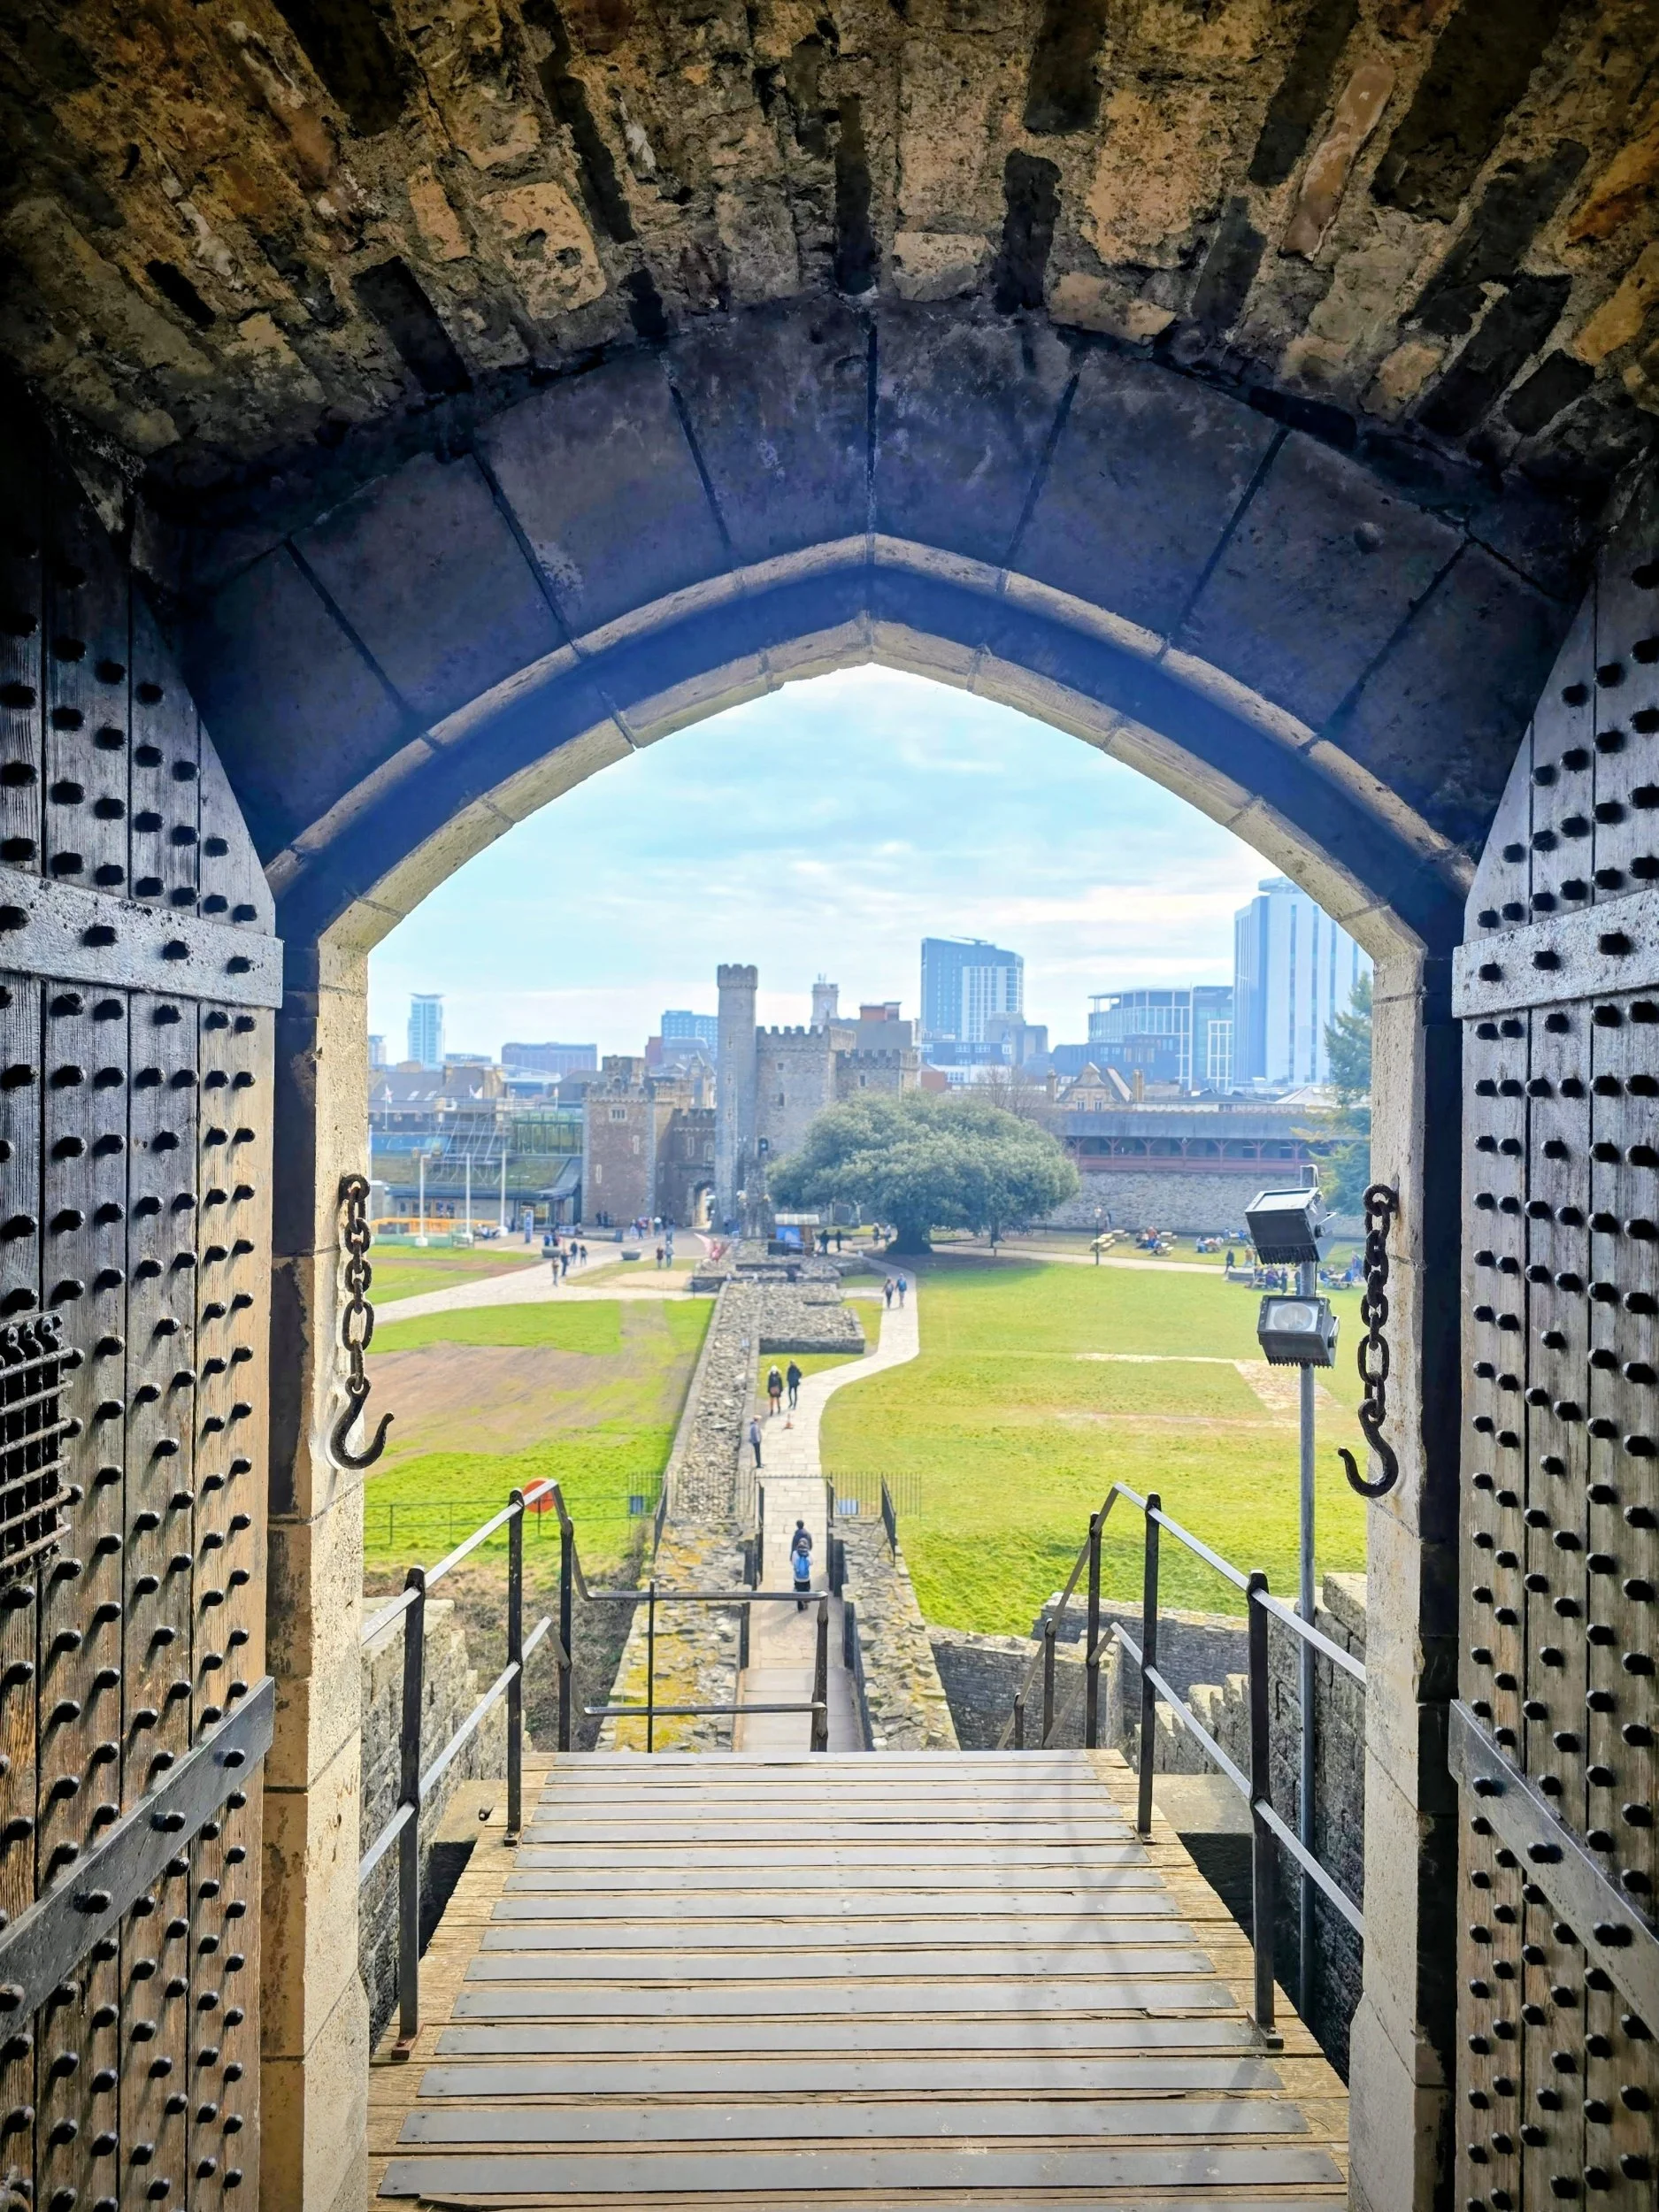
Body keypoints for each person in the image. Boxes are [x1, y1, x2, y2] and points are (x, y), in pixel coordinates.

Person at [790, 1520, 813, 1610]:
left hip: (797, 1576)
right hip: (806, 1576)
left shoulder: (795, 1553)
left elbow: (793, 1561)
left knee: (798, 1590)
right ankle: (806, 1601)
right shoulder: (808, 1535)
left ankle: (800, 1606)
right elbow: (811, 1562)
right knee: (806, 1589)